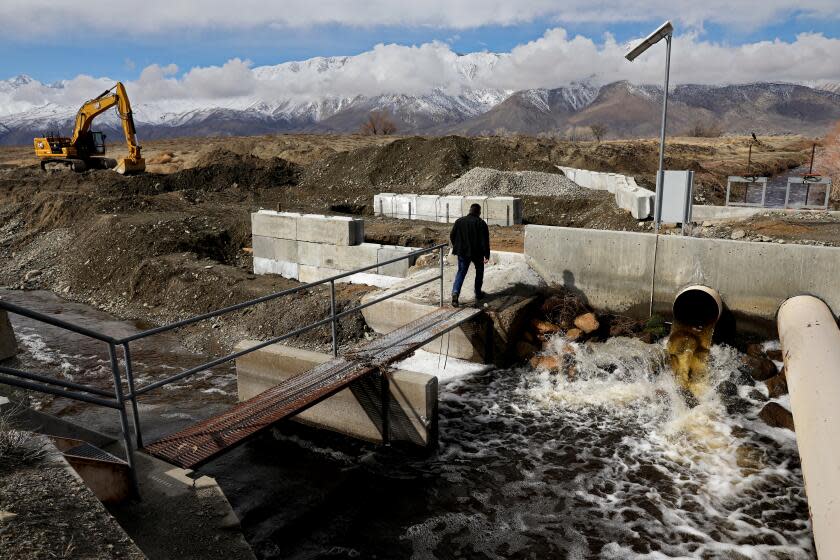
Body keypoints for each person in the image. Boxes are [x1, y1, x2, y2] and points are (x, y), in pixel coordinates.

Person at [449, 203, 490, 307]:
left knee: (461, 272)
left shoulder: (459, 221)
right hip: (477, 253)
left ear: (470, 210)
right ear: (479, 212)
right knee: (479, 272)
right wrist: (487, 254)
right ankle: (478, 293)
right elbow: (485, 241)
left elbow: (452, 235)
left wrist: (457, 247)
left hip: (462, 252)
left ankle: (455, 293)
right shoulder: (481, 223)